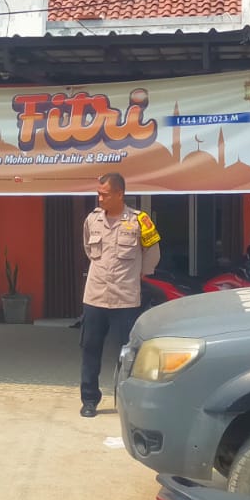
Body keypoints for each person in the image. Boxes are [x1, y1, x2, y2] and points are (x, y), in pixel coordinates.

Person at [79, 172, 159, 418]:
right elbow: (88, 249)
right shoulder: (92, 220)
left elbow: (152, 252)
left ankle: (127, 400)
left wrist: (139, 275)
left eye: (104, 194)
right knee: (90, 348)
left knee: (128, 353)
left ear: (120, 194)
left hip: (125, 298)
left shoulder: (140, 220)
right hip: (95, 296)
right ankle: (89, 400)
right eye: (98, 194)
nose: (100, 198)